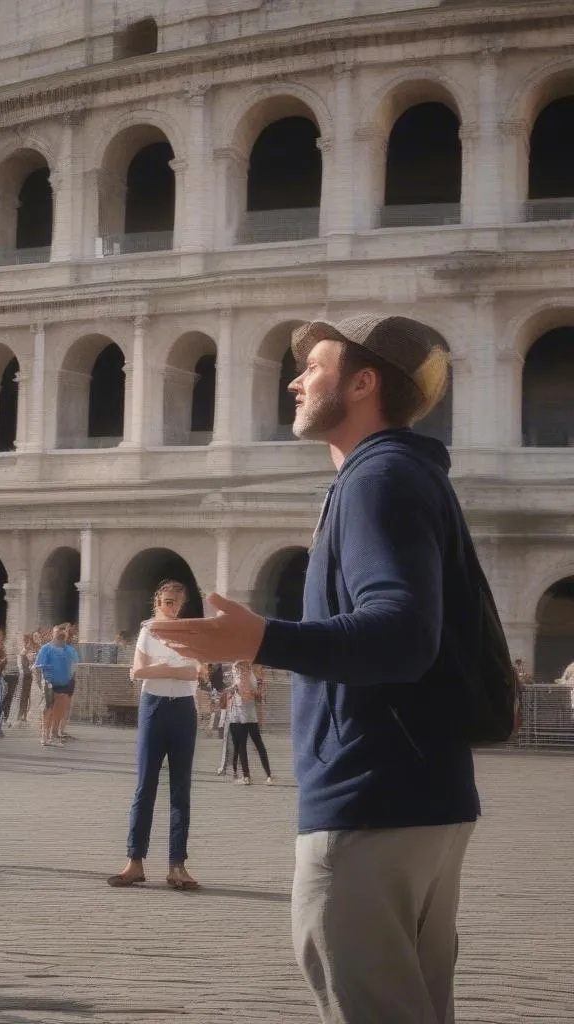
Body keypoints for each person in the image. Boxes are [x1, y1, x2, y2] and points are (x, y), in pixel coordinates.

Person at [150, 314, 484, 1023]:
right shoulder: (407, 474)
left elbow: (399, 635)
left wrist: (259, 638)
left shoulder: (377, 479)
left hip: (370, 802)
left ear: (364, 384)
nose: (297, 381)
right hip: (425, 798)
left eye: (316, 367)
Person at [107, 581, 200, 891]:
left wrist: (160, 668)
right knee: (145, 784)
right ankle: (135, 861)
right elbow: (137, 672)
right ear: (157, 601)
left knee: (181, 789)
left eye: (175, 603)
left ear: (182, 604)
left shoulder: (189, 631)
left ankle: (177, 865)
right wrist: (170, 668)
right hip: (154, 707)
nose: (171, 607)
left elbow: (194, 673)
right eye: (166, 601)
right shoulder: (148, 631)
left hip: (184, 708)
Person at [222, 660, 273, 785]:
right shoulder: (252, 674)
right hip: (249, 714)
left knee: (243, 745)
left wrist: (234, 690)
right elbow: (257, 695)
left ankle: (247, 776)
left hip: (242, 713)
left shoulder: (242, 671)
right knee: (256, 743)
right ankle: (267, 775)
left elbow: (247, 693)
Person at [34, 625, 79, 746]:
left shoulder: (68, 649)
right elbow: (38, 667)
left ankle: (53, 734)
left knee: (60, 709)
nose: (60, 634)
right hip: (49, 682)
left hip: (64, 683)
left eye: (62, 633)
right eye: (57, 632)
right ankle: (44, 734)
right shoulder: (46, 648)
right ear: (52, 635)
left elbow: (75, 664)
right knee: (48, 708)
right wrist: (40, 683)